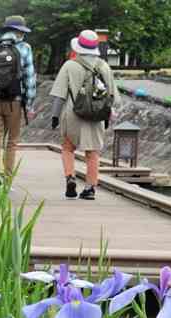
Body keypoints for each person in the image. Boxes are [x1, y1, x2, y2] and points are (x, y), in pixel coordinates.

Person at [50, 29, 119, 200]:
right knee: (93, 152)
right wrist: (107, 114)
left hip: (73, 113)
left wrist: (55, 116)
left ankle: (70, 178)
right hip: (96, 114)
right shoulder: (104, 66)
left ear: (78, 47)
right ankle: (90, 188)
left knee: (67, 148)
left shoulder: (69, 65)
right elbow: (112, 96)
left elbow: (59, 95)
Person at [0, 15, 37, 176]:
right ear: (18, 32)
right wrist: (29, 105)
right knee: (11, 143)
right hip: (14, 102)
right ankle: (7, 183)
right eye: (22, 32)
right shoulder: (25, 48)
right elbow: (30, 80)